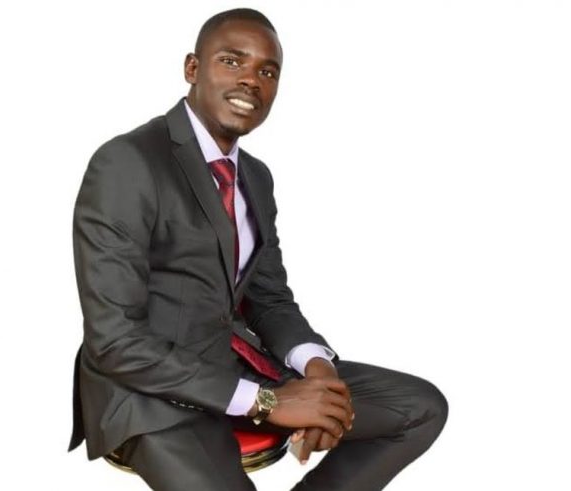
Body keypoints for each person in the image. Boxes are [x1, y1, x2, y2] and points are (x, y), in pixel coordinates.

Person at [68, 8, 448, 490]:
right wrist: (269, 403)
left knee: (419, 408)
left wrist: (318, 376)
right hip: (150, 392)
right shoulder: (128, 162)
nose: (251, 80)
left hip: (235, 362)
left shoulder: (255, 177)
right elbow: (114, 340)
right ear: (192, 68)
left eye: (268, 72)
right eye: (232, 61)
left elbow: (268, 300)